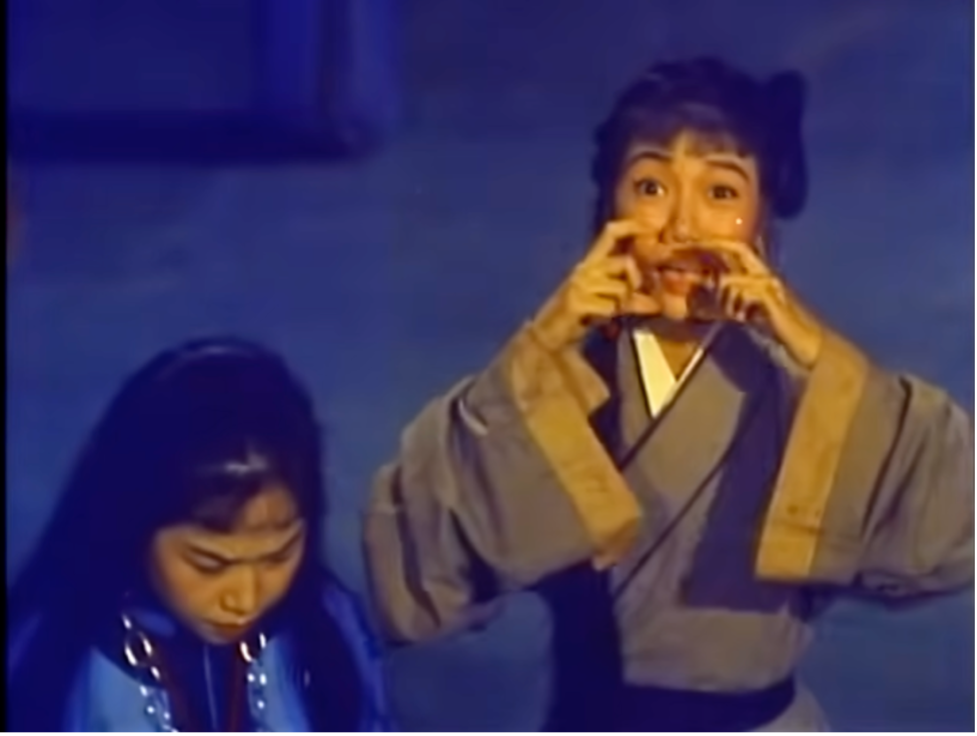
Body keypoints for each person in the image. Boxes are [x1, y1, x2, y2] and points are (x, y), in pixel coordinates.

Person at [362, 58, 974, 732]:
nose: (681, 226)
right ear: (608, 212)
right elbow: (418, 586)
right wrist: (544, 341)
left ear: (761, 224)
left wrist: (810, 345)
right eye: (650, 186)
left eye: (720, 192)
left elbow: (944, 529)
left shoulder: (814, 391)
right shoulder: (551, 381)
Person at [8, 338, 395, 732]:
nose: (244, 598)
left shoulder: (327, 625)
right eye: (210, 564)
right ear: (133, 525)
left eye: (279, 556)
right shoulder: (52, 656)